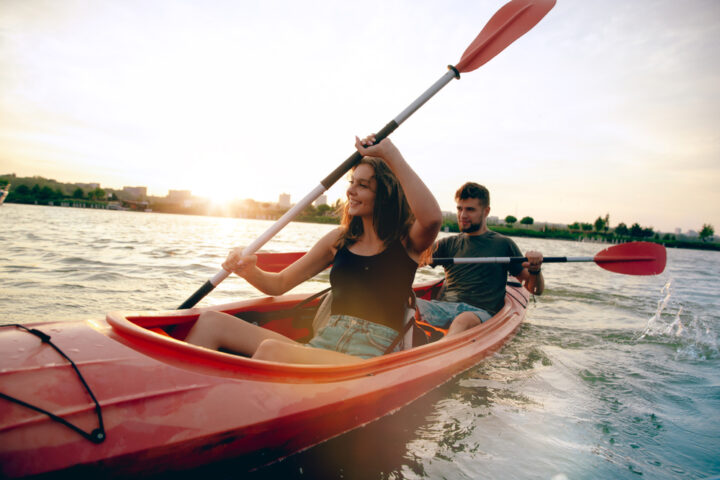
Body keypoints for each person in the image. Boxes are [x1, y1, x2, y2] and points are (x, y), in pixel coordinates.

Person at [185, 134, 442, 364]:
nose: (351, 191)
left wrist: (389, 153)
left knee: (273, 351)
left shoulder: (407, 242)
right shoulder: (338, 240)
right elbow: (279, 283)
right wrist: (249, 271)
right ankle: (181, 409)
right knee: (210, 322)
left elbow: (431, 218)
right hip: (323, 346)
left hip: (367, 359)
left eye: (363, 185)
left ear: (385, 194)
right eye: (352, 182)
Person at [416, 182, 544, 337]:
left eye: (470, 209)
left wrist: (535, 269)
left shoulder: (503, 244)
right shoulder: (447, 244)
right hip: (443, 307)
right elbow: (410, 261)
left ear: (486, 211)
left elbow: (535, 289)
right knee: (406, 305)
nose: (463, 215)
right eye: (459, 208)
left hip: (479, 313)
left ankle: (438, 353)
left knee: (463, 320)